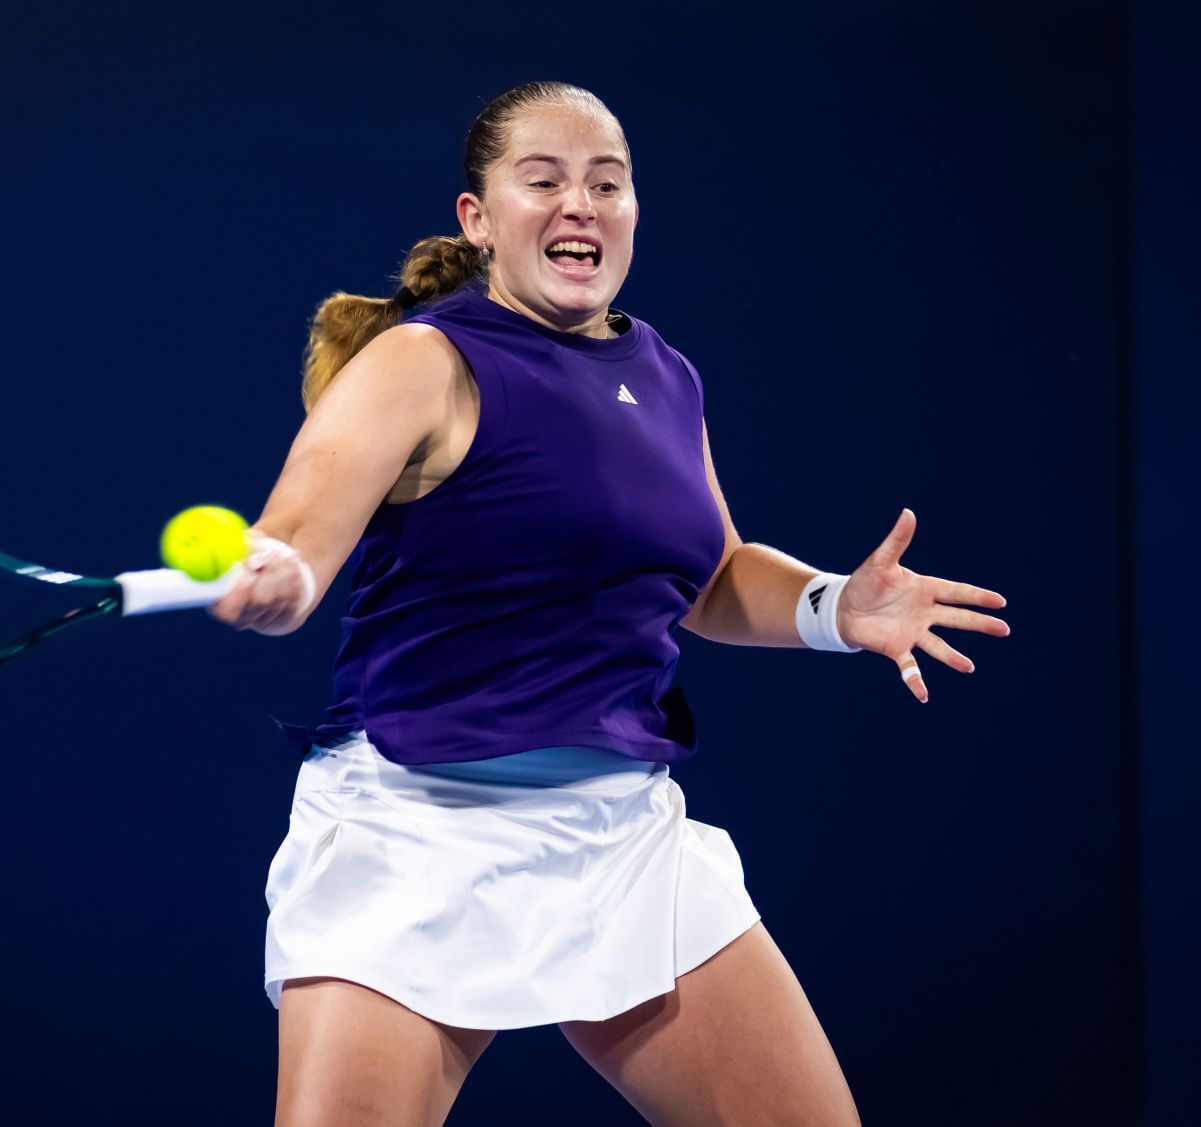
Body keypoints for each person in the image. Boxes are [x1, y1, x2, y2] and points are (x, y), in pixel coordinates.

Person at [208, 81, 1009, 1127]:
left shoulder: (665, 373)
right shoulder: (421, 362)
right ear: (479, 220)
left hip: (618, 833)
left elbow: (710, 575)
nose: (579, 204)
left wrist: (832, 605)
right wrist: (277, 581)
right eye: (543, 181)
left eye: (607, 183)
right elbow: (297, 541)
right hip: (414, 831)